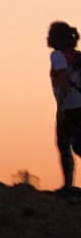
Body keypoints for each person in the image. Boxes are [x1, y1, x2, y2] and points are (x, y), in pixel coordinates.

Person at [47, 21, 81, 194]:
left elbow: (63, 80)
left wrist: (60, 108)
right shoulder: (78, 56)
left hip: (70, 107)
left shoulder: (57, 55)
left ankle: (68, 185)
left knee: (64, 144)